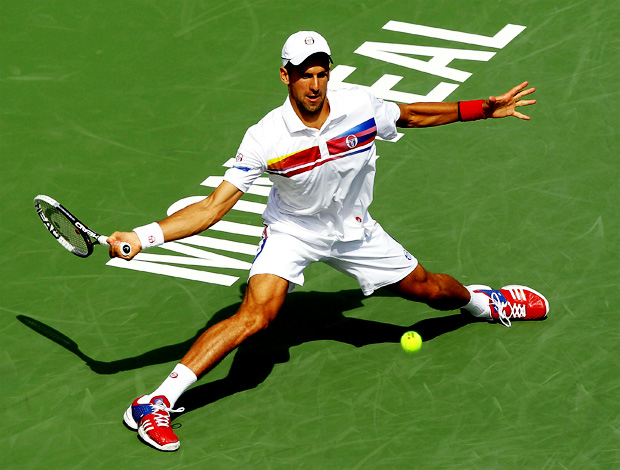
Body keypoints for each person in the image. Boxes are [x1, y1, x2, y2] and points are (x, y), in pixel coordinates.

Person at [108, 31, 549, 451]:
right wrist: (144, 237)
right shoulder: (264, 138)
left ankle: (483, 302)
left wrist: (481, 109)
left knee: (430, 290)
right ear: (286, 75)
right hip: (293, 231)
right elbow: (211, 207)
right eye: (305, 74)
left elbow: (414, 114)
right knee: (257, 315)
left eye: (322, 72)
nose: (315, 84)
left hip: (355, 230)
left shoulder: (359, 106)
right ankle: (156, 403)